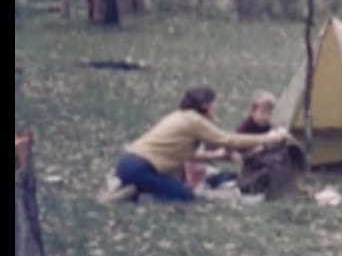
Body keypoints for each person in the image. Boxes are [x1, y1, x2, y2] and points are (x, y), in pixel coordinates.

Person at [100, 86, 289, 204]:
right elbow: (228, 140)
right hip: (140, 167)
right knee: (185, 196)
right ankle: (133, 193)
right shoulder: (195, 122)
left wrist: (214, 157)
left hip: (128, 161)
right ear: (205, 105)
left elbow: (180, 153)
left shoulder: (180, 116)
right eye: (214, 103)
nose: (216, 107)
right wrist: (268, 138)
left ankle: (127, 185)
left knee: (175, 189)